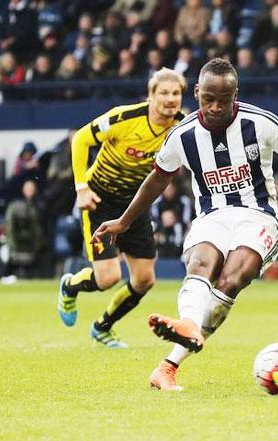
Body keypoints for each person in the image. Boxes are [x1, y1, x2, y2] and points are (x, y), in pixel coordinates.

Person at [91, 58, 278, 391]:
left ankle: (178, 347)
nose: (215, 107)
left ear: (235, 94)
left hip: (257, 217)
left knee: (231, 278)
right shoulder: (181, 136)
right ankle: (177, 348)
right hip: (211, 217)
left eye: (223, 100)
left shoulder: (262, 123)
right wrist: (124, 222)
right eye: (207, 99)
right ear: (197, 93)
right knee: (200, 265)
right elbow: (156, 182)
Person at [56, 68, 187, 348]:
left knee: (144, 279)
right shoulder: (124, 118)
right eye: (163, 93)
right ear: (150, 96)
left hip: (135, 205)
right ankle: (70, 286)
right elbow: (81, 139)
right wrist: (81, 188)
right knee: (108, 277)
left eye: (176, 93)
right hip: (100, 199)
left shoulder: (182, 127)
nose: (170, 99)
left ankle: (102, 328)